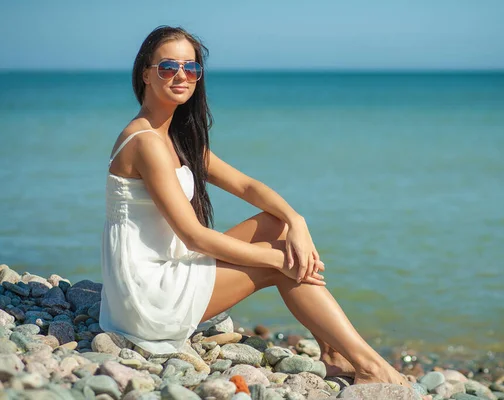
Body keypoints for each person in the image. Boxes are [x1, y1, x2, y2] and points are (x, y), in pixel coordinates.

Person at [99, 25, 410, 386]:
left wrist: (297, 220)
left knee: (276, 226)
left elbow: (246, 185)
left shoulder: (174, 138)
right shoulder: (145, 142)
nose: (181, 75)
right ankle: (372, 368)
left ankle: (335, 354)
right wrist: (277, 260)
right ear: (146, 74)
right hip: (148, 300)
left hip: (164, 270)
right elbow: (194, 236)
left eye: (191, 68)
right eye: (168, 67)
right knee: (283, 265)